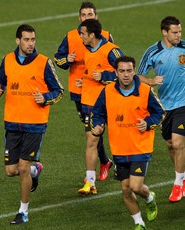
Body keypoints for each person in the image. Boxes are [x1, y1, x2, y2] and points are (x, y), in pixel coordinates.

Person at [0, 24, 63, 224]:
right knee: (11, 171)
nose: (31, 43)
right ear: (18, 41)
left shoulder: (44, 62)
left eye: (33, 39)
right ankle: (35, 170)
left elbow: (58, 91)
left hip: (34, 124)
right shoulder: (7, 60)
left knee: (22, 167)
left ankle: (23, 212)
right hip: (12, 123)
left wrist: (46, 98)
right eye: (26, 40)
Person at [92, 56, 164, 230]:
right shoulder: (108, 91)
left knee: (135, 186)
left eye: (129, 71)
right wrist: (98, 125)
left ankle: (149, 198)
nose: (126, 75)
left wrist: (147, 123)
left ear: (134, 72)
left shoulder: (145, 91)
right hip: (119, 149)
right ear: (116, 73)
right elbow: (98, 112)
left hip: (140, 147)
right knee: (125, 189)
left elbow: (160, 113)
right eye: (122, 71)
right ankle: (139, 223)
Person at [54, 1, 114, 182]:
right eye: (83, 15)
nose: (86, 18)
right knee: (93, 130)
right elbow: (58, 59)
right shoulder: (72, 36)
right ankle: (105, 162)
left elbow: (114, 64)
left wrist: (101, 77)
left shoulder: (106, 37)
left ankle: (110, 163)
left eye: (90, 15)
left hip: (101, 90)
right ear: (79, 18)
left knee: (102, 127)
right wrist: (67, 59)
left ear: (95, 17)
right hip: (79, 91)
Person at [137, 16, 185, 202]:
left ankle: (178, 184)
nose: (178, 35)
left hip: (183, 103)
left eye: (179, 31)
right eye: (174, 32)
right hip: (164, 106)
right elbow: (138, 75)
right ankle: (183, 177)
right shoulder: (153, 52)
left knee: (179, 143)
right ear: (164, 32)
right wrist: (151, 81)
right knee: (171, 145)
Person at [76, 19, 123, 195]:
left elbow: (126, 73)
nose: (80, 35)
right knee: (91, 141)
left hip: (111, 102)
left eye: (82, 33)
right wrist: (86, 79)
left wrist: (104, 75)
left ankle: (121, 166)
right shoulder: (86, 49)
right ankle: (90, 181)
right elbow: (91, 71)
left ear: (92, 35)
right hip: (90, 103)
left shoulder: (112, 50)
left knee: (117, 137)